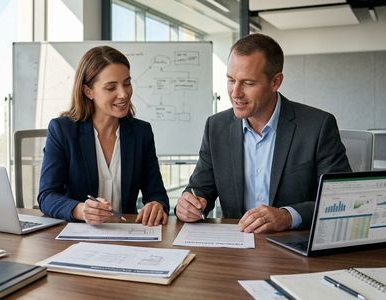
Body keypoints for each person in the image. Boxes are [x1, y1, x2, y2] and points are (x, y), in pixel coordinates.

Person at [176, 33, 351, 233]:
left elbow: (340, 199)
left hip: (293, 248)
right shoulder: (216, 127)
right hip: (234, 249)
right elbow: (200, 190)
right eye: (231, 80)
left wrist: (287, 216)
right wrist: (188, 205)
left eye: (248, 83)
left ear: (275, 82)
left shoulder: (317, 126)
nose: (235, 93)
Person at [38, 46, 169, 226]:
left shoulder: (141, 132)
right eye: (111, 87)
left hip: (128, 233)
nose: (124, 94)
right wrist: (81, 210)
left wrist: (156, 204)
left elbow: (157, 194)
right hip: (77, 235)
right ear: (88, 91)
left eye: (127, 83)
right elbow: (47, 196)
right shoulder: (62, 130)